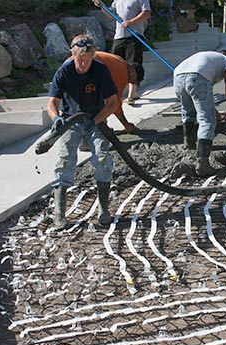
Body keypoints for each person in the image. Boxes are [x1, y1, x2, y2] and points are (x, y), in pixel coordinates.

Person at [47, 34, 118, 229]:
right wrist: (56, 117)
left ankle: (104, 209)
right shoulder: (65, 71)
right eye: (80, 59)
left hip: (96, 118)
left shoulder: (100, 70)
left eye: (87, 59)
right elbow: (52, 102)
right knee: (64, 160)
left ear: (93, 56)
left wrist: (95, 121)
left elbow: (112, 103)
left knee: (102, 159)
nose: (84, 63)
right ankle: (59, 214)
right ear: (73, 55)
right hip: (71, 120)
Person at [173, 50, 226, 177]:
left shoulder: (206, 57)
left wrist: (214, 111)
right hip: (197, 77)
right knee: (207, 120)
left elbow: (201, 99)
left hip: (178, 77)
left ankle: (189, 145)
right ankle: (203, 164)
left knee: (188, 112)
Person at [94, 0, 151, 105]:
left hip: (135, 35)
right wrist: (102, 6)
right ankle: (116, 93)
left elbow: (146, 13)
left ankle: (131, 94)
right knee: (114, 63)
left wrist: (130, 22)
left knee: (133, 64)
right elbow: (111, 15)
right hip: (119, 36)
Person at [94, 51, 137, 133]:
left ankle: (101, 128)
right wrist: (127, 125)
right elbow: (115, 103)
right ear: (134, 73)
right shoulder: (122, 72)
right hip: (88, 67)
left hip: (80, 63)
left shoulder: (118, 61)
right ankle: (100, 130)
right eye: (133, 81)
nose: (130, 83)